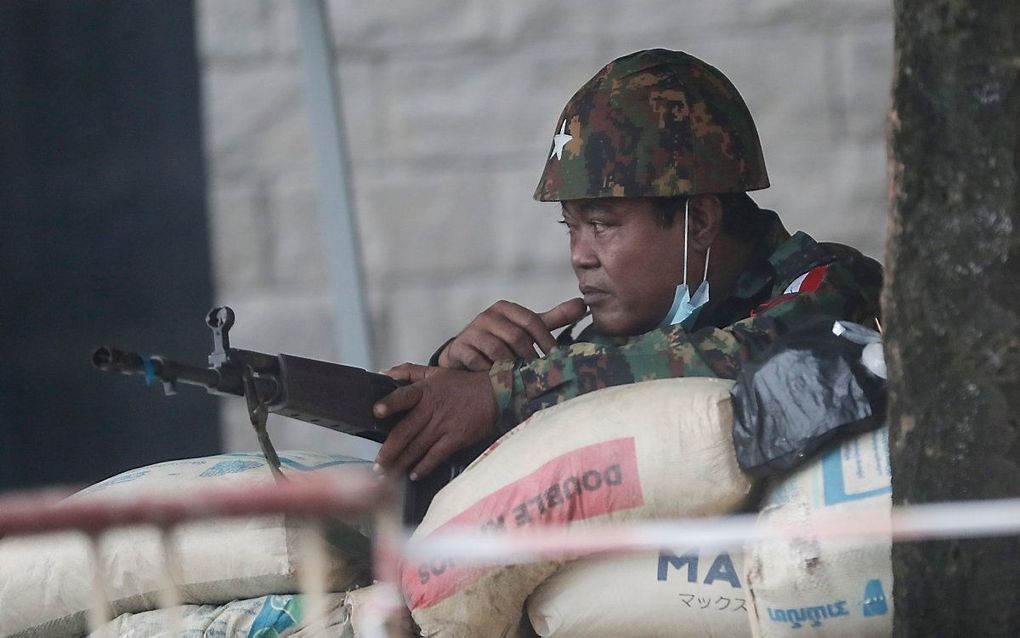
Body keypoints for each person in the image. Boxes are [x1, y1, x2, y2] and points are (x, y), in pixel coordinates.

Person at [371, 49, 882, 482]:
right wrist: (458, 377)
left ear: (699, 221)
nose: (579, 255)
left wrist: (507, 391)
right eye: (569, 227)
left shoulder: (829, 285)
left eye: (602, 225)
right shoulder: (612, 345)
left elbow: (746, 363)